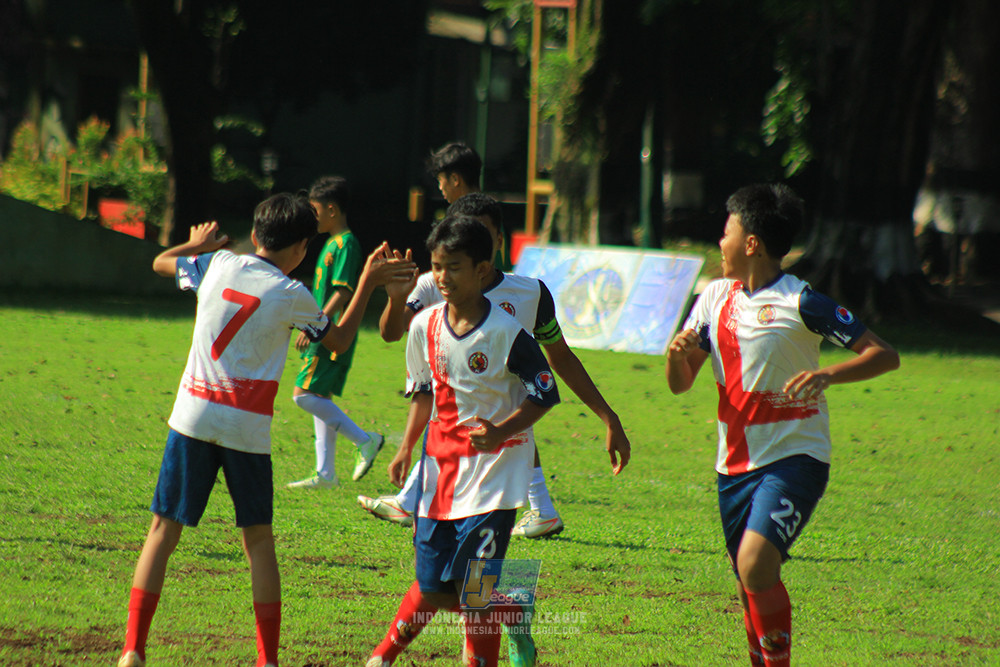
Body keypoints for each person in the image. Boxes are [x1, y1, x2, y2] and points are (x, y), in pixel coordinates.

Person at [117, 193, 415, 667]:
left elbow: (159, 263)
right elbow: (336, 341)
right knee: (257, 541)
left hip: (192, 418)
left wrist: (192, 245)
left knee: (162, 530)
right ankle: (267, 659)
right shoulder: (293, 293)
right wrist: (366, 283)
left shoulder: (215, 264)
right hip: (246, 429)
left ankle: (133, 647)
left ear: (255, 235)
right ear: (302, 248)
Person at [665, 184, 900, 667]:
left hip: (795, 459)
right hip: (732, 466)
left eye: (726, 232)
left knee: (754, 565)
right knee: (747, 578)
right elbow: (680, 384)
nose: (720, 242)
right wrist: (677, 356)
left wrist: (827, 374)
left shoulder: (803, 302)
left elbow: (884, 355)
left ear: (751, 242)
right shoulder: (714, 297)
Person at [360, 193, 630, 538]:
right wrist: (395, 298)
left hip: (500, 458)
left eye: (480, 239)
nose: (447, 273)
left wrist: (608, 416)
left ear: (496, 244)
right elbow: (396, 337)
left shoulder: (524, 301)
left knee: (482, 580)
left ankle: (529, 544)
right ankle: (412, 500)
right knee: (433, 584)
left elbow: (556, 366)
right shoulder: (431, 295)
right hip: (446, 456)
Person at [367, 215, 560, 667]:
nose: (443, 277)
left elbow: (546, 392)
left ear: (481, 268)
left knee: (473, 596)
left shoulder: (507, 333)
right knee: (434, 589)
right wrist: (404, 447)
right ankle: (511, 608)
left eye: (454, 266)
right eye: (437, 266)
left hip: (495, 478)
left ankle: (383, 657)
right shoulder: (425, 326)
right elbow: (423, 390)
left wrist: (500, 432)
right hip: (440, 474)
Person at [287, 176, 384, 490]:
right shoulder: (330, 243)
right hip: (323, 328)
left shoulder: (346, 244)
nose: (312, 217)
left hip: (330, 332)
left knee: (302, 396)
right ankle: (325, 474)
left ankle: (365, 440)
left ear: (331, 209)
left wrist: (316, 322)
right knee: (318, 396)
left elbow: (343, 292)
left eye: (315, 210)